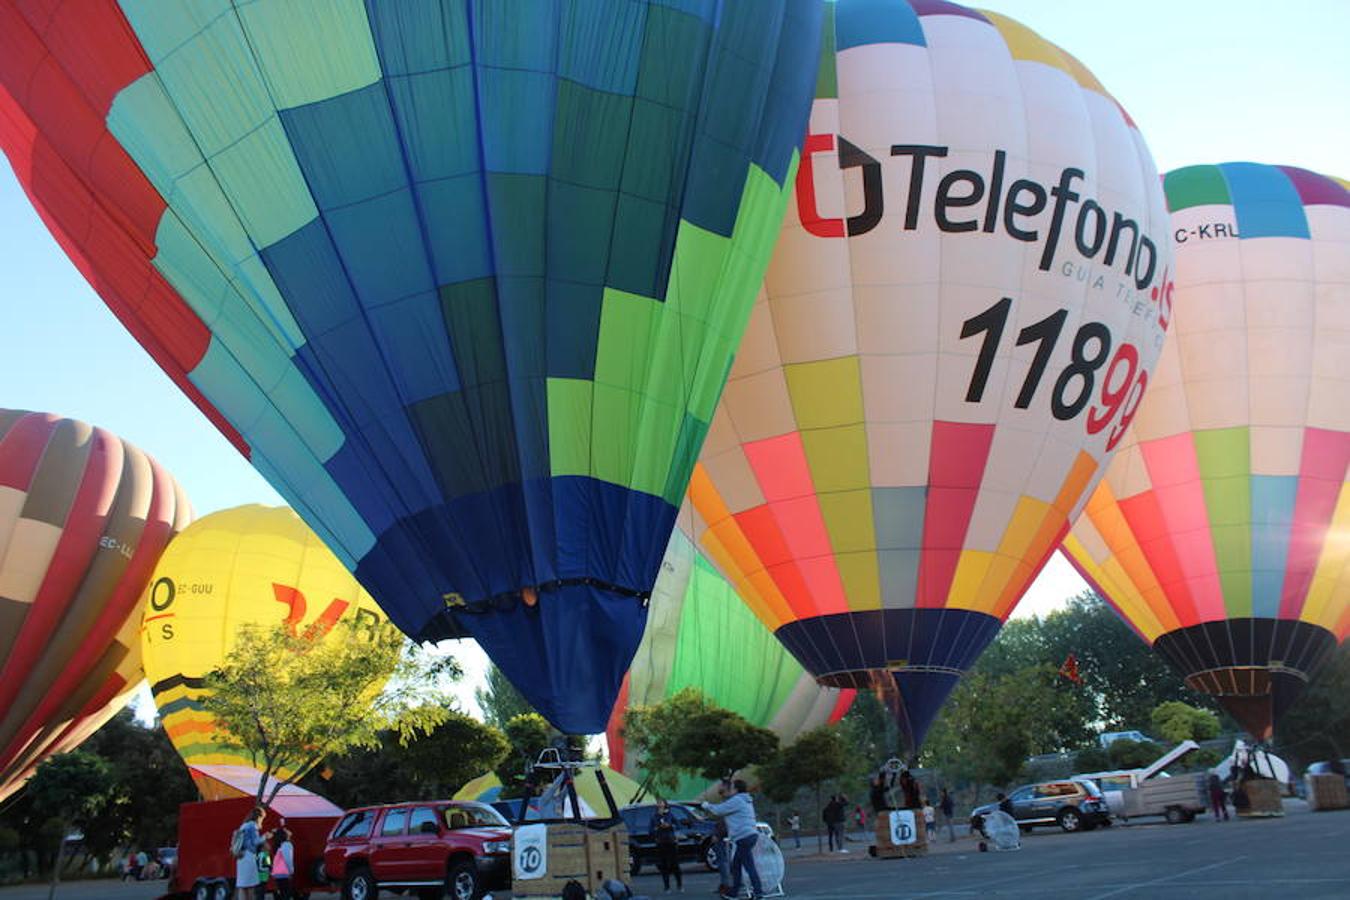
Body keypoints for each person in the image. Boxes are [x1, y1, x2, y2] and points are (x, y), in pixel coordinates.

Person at [703, 780, 762, 900]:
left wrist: (706, 805)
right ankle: (734, 893)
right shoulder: (745, 799)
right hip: (749, 835)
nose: (730, 789)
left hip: (743, 836)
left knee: (748, 866)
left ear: (736, 789)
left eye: (732, 787)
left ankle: (758, 893)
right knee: (736, 865)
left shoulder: (737, 800)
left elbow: (719, 810)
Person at [233, 806, 266, 900]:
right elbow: (255, 841)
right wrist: (265, 837)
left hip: (240, 857)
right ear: (259, 817)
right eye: (263, 818)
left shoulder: (244, 825)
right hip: (249, 856)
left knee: (242, 886)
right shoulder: (253, 825)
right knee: (251, 885)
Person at [651, 799, 683, 893]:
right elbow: (650, 830)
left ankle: (679, 885)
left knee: (675, 864)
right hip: (661, 842)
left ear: (665, 804)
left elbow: (678, 825)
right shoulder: (654, 816)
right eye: (658, 803)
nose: (660, 804)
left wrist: (670, 826)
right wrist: (657, 828)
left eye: (661, 802)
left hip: (671, 842)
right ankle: (667, 887)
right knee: (664, 865)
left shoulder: (670, 815)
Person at [271, 827, 295, 900]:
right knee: (286, 894)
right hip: (284, 873)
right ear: (284, 835)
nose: (288, 830)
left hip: (277, 873)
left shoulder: (277, 845)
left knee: (282, 892)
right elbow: (288, 859)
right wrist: (291, 871)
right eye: (286, 830)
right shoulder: (287, 844)